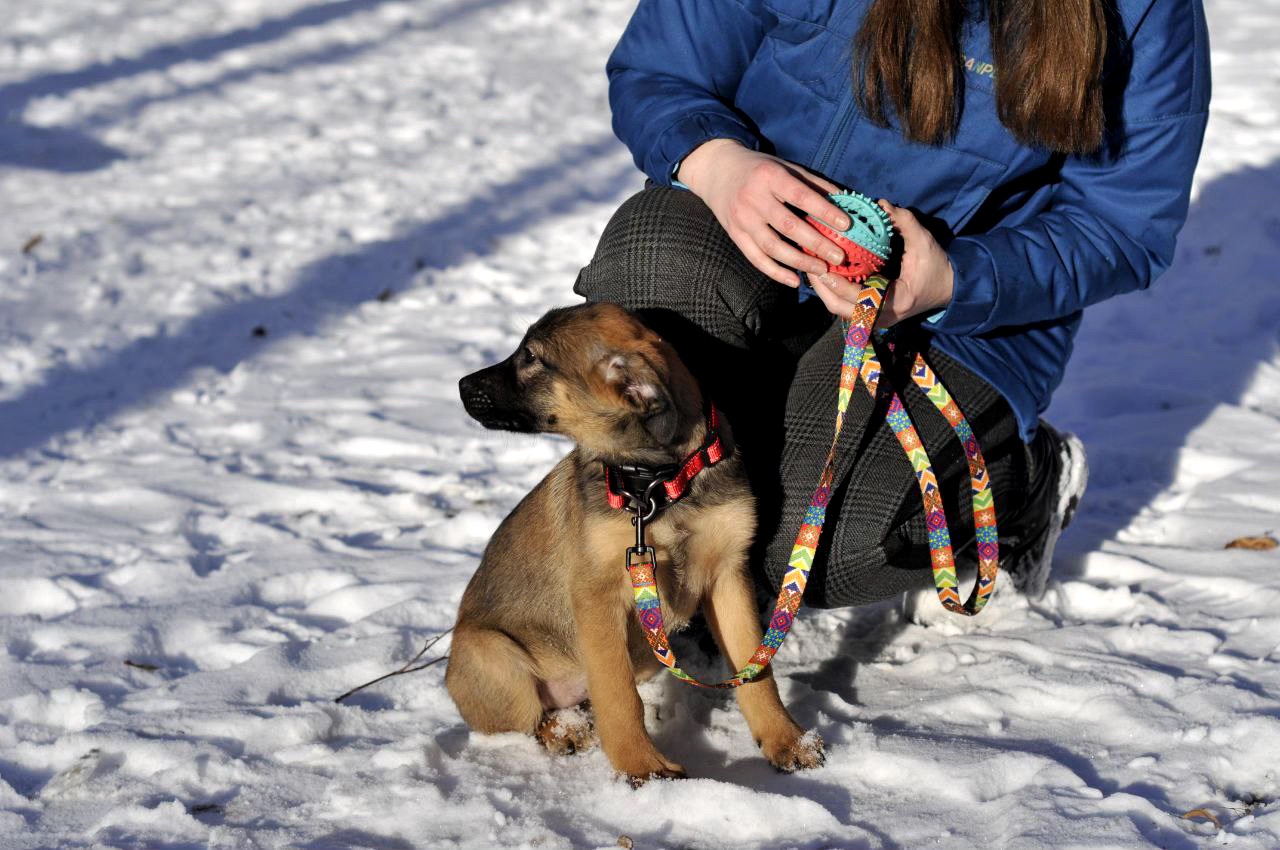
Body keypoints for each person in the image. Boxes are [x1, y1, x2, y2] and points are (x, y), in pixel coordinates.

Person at [574, 0, 1210, 610]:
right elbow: (658, 70)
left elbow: (1123, 226)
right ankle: (706, 529)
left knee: (818, 548)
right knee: (648, 268)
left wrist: (954, 279)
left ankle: (1025, 480)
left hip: (961, 312)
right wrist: (717, 164)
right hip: (750, 236)